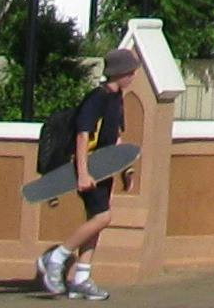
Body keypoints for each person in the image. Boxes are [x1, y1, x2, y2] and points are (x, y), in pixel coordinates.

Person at [33, 43, 138, 299]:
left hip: (103, 170)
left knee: (95, 221)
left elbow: (115, 138)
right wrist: (82, 173)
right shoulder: (97, 98)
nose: (133, 76)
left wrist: (127, 169)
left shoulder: (116, 100)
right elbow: (83, 135)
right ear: (119, 73)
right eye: (131, 71)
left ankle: (81, 277)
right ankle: (55, 258)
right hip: (87, 168)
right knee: (103, 218)